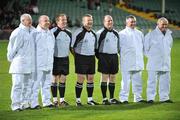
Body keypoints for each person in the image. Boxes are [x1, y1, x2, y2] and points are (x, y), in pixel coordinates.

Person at [7, 13, 36, 111]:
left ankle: (25, 103)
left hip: (29, 64)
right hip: (19, 63)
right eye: (28, 20)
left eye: (30, 19)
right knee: (17, 85)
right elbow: (12, 48)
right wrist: (12, 59)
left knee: (27, 85)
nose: (30, 21)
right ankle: (15, 105)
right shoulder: (18, 32)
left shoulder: (32, 31)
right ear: (22, 21)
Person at [71, 14, 99, 106]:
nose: (90, 22)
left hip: (91, 58)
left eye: (91, 20)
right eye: (88, 21)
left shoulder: (94, 34)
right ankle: (78, 100)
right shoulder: (78, 32)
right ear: (83, 22)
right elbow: (72, 47)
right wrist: (77, 57)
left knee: (90, 79)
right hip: (81, 58)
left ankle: (90, 100)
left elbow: (95, 48)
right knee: (81, 79)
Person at [144, 17, 173, 103]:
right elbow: (145, 49)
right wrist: (153, 57)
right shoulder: (151, 35)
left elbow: (169, 47)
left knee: (166, 82)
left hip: (166, 62)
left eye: (166, 24)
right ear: (158, 24)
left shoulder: (169, 35)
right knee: (152, 82)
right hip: (154, 63)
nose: (164, 26)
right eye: (162, 24)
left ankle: (164, 98)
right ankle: (150, 98)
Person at [119, 15, 146, 103]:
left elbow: (143, 47)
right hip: (126, 62)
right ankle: (123, 99)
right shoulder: (121, 34)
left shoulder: (140, 33)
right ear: (126, 23)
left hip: (138, 61)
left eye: (134, 21)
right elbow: (118, 48)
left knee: (138, 82)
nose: (133, 23)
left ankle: (138, 98)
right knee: (125, 83)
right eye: (131, 22)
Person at [30, 15, 55, 109]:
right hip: (38, 63)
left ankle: (47, 102)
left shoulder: (50, 33)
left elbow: (51, 49)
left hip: (48, 63)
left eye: (48, 20)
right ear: (40, 22)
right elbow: (31, 50)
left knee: (47, 83)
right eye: (45, 21)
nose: (47, 22)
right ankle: (34, 103)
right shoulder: (34, 33)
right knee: (35, 84)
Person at [96, 15, 120, 105]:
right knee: (104, 77)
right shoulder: (99, 33)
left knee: (113, 77)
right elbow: (96, 48)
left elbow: (118, 47)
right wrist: (100, 57)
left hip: (114, 56)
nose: (110, 22)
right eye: (108, 21)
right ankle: (104, 99)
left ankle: (112, 98)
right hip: (104, 57)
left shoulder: (116, 33)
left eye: (111, 20)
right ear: (104, 22)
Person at [51, 14, 72, 107]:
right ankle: (55, 100)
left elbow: (70, 47)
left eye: (65, 20)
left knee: (63, 79)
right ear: (57, 22)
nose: (64, 22)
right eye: (62, 20)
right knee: (54, 79)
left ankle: (62, 100)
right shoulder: (52, 32)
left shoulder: (69, 33)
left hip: (65, 59)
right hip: (55, 59)